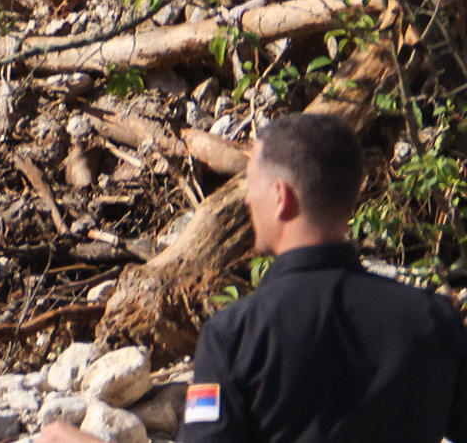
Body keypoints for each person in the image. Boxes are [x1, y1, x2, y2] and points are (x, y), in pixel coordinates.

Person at [35, 112, 467, 443]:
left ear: (281, 197)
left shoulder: (238, 335)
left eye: (251, 184)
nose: (247, 200)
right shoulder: (430, 320)